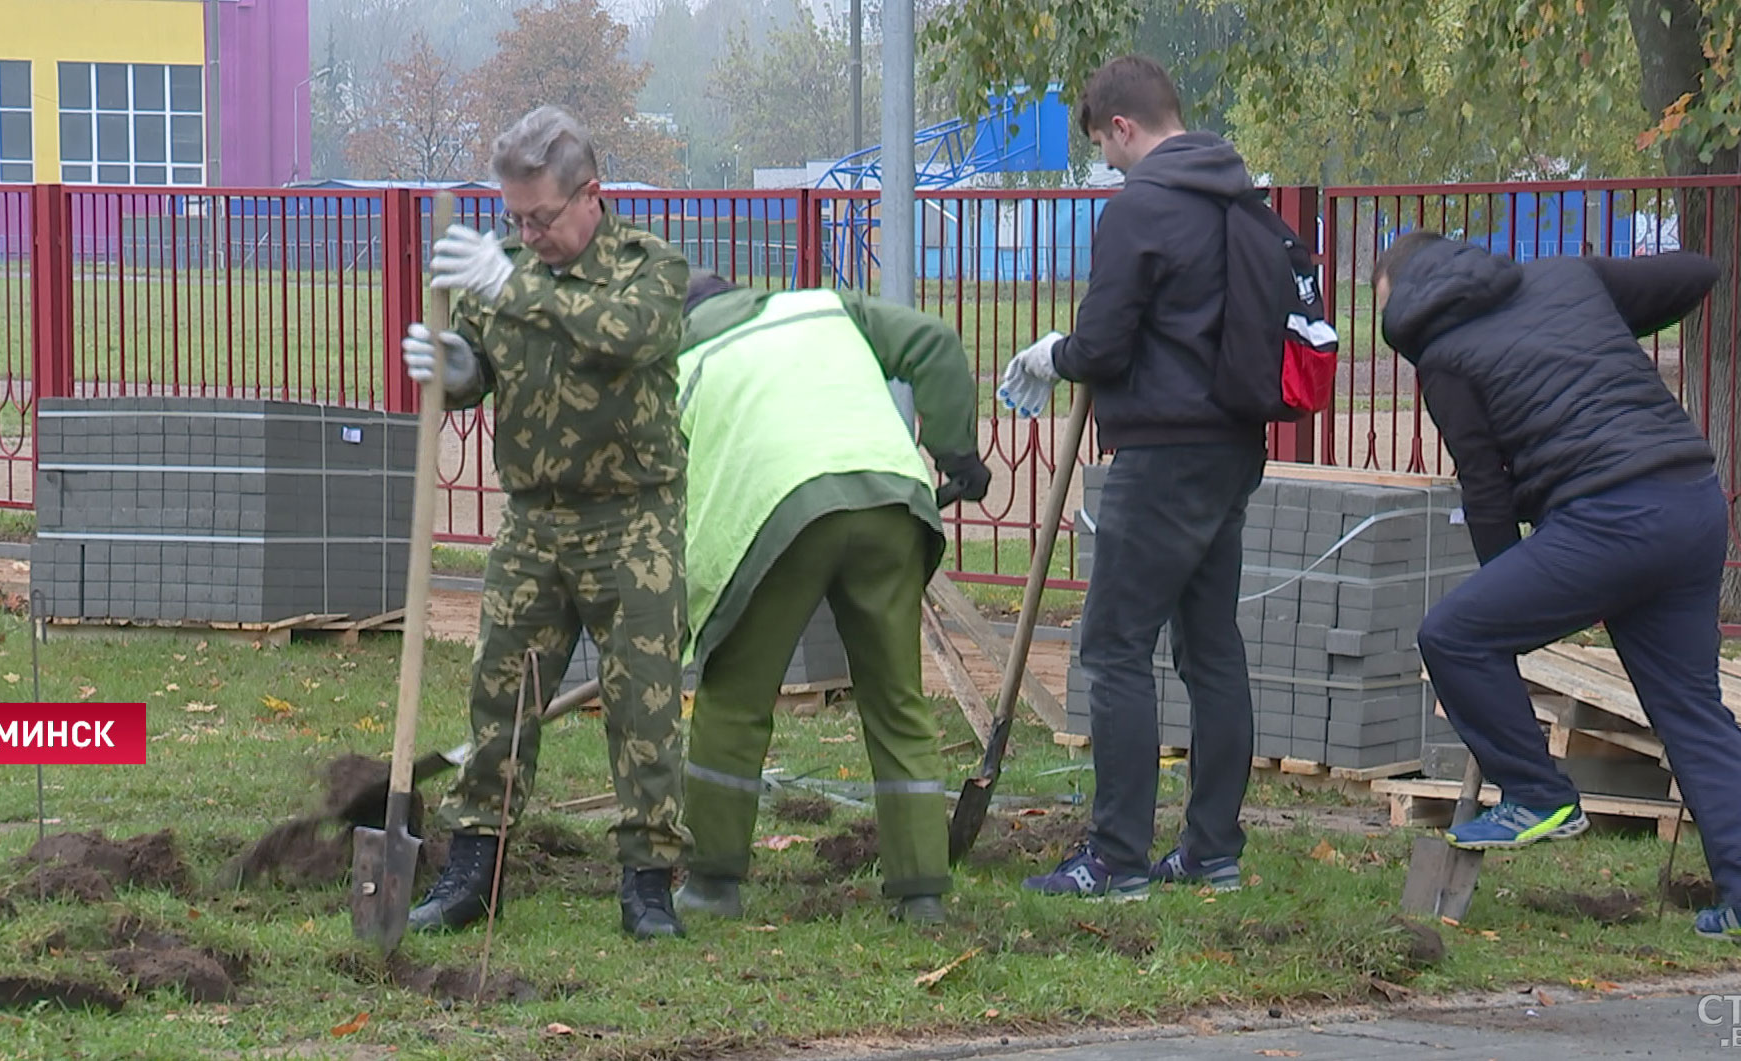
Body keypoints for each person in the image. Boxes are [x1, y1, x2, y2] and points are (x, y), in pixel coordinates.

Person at [1374, 229, 1741, 950]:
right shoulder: (1565, 278)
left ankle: (1539, 794)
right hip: (1690, 501)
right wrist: (1595, 319)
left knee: (1453, 634)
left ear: (1405, 296)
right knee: (1693, 710)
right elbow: (1700, 267)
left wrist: (1502, 587)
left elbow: (1486, 486)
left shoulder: (1442, 356)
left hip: (1609, 517)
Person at [398, 104, 694, 940]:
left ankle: (646, 881)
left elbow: (626, 337)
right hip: (533, 520)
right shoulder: (508, 276)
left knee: (644, 705)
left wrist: (508, 285)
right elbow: (483, 370)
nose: (526, 234)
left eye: (541, 217)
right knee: (501, 697)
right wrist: (453, 368)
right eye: (513, 218)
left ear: (591, 196)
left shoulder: (649, 268)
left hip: (631, 518)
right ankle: (472, 870)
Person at [1000, 55, 1266, 900]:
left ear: (1122, 125)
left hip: (1162, 452)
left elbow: (1107, 344)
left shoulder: (1143, 207)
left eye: (1105, 150)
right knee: (1211, 648)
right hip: (1231, 447)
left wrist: (1055, 354)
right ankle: (1211, 849)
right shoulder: (1240, 195)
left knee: (1113, 645)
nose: (1109, 166)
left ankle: (1113, 859)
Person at [667, 272, 990, 925]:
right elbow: (932, 341)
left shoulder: (680, 364)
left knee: (734, 700)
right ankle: (922, 890)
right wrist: (956, 451)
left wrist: (681, 627)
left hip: (780, 513)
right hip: (891, 498)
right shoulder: (825, 308)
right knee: (897, 701)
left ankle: (712, 882)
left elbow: (667, 504)